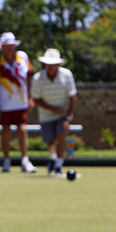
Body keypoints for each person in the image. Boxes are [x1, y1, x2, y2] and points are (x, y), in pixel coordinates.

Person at [0, 32, 36, 173]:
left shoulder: (23, 58)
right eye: (7, 46)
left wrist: (30, 97)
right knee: (6, 131)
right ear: (2, 47)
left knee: (22, 129)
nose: (10, 48)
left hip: (21, 102)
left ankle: (25, 160)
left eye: (12, 45)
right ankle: (6, 160)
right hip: (5, 105)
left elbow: (29, 78)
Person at [29, 48, 77, 178]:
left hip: (63, 113)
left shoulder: (67, 75)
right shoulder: (38, 79)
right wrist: (53, 109)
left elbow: (73, 97)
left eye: (53, 63)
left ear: (58, 64)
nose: (50, 66)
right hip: (46, 114)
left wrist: (68, 118)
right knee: (50, 140)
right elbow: (36, 100)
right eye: (48, 63)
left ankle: (58, 166)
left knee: (61, 134)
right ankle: (54, 158)